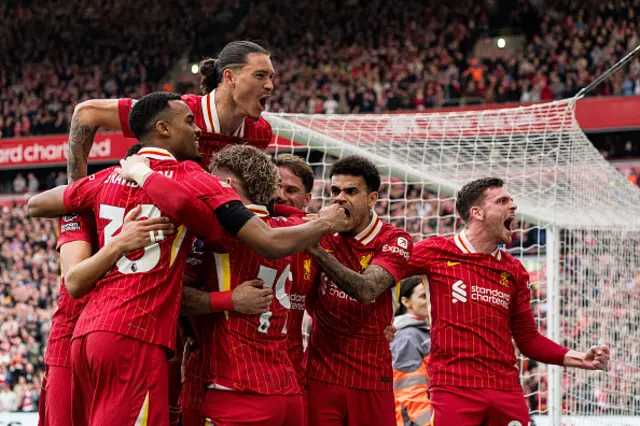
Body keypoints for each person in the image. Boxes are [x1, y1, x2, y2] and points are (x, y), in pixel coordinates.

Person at [28, 92, 347, 426]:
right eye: (189, 121)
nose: (198, 131)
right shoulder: (193, 178)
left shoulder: (105, 178)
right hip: (144, 337)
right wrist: (322, 222)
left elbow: (36, 205)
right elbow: (255, 237)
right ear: (164, 129)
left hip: (87, 333)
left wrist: (113, 189)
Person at [406, 177, 610, 426]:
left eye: (511, 201)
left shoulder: (514, 270)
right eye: (502, 201)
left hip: (506, 391)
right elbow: (383, 273)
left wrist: (580, 358)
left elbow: (528, 339)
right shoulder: (435, 251)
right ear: (477, 212)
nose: (512, 206)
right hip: (454, 388)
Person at [38, 144, 175, 426]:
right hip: (71, 343)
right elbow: (74, 280)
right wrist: (118, 244)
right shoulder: (81, 212)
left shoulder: (157, 222)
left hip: (119, 338)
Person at [182, 145, 303, 425]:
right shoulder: (293, 229)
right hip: (287, 392)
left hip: (238, 391)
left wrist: (228, 300)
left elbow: (174, 298)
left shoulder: (217, 233)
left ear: (226, 185)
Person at [303, 156, 413, 426]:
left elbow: (367, 290)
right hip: (321, 374)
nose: (340, 199)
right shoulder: (320, 230)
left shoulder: (393, 239)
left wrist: (315, 248)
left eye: (351, 191)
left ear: (372, 198)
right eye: (335, 191)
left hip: (371, 378)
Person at [66, 40, 275, 182]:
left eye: (271, 77)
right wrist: (75, 201)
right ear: (229, 77)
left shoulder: (261, 132)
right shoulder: (178, 112)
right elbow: (87, 113)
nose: (269, 86)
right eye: (260, 75)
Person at [391, 276, 431, 426]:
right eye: (423, 296)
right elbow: (410, 390)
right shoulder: (407, 337)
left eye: (430, 294)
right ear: (405, 301)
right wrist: (427, 424)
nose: (429, 300)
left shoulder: (428, 331)